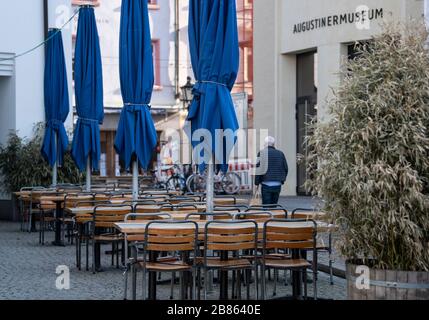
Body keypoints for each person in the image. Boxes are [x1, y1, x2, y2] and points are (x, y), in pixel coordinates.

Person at [255, 136, 289, 205]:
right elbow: (286, 168)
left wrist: (256, 183)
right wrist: (282, 179)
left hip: (266, 184)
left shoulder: (261, 153)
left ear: (265, 144)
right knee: (274, 205)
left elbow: (258, 170)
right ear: (273, 144)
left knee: (266, 206)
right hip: (277, 184)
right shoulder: (280, 153)